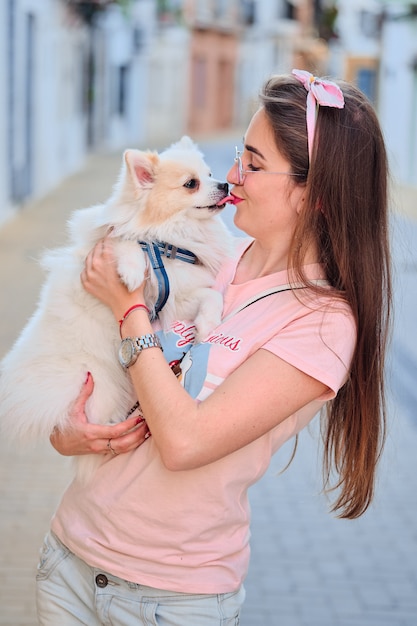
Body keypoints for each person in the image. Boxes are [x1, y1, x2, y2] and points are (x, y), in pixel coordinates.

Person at [36, 69, 391, 625]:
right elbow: (83, 371)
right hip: (70, 560)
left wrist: (128, 309)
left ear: (313, 192)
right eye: (236, 157)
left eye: (252, 163)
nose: (231, 177)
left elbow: (184, 442)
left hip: (170, 599)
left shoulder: (322, 323)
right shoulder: (208, 255)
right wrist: (71, 431)